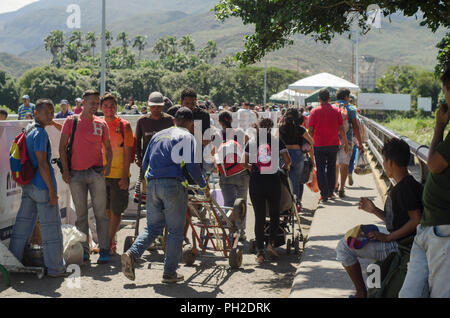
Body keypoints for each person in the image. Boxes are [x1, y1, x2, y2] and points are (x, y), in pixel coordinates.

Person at [121, 107, 209, 283]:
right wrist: (203, 186)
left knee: (152, 227)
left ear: (175, 120)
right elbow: (192, 166)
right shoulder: (187, 137)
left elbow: (145, 162)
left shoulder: (158, 135)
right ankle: (169, 273)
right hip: (173, 185)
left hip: (153, 184)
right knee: (175, 230)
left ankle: (132, 253)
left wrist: (147, 184)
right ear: (190, 123)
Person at [336, 138, 423, 298]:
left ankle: (361, 293)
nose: (383, 164)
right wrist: (374, 210)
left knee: (344, 247)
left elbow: (416, 220)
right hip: (400, 240)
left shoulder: (404, 189)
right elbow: (400, 221)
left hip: (401, 246)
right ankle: (368, 291)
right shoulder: (408, 184)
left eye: (383, 160)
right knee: (360, 243)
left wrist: (388, 237)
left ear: (390, 162)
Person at [399, 67, 450, 298]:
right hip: (430, 226)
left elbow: (434, 164)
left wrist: (439, 125)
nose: (444, 97)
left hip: (443, 229)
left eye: (445, 91)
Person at [9, 98, 67, 277]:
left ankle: (12, 262)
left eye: (52, 111)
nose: (50, 115)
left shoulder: (28, 129)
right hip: (42, 187)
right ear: (36, 112)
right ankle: (56, 268)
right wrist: (52, 191)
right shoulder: (41, 133)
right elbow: (42, 164)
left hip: (29, 186)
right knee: (51, 229)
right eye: (46, 112)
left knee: (22, 226)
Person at [59, 89, 112, 264]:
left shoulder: (101, 124)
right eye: (92, 103)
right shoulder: (71, 121)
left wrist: (107, 166)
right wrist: (66, 171)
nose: (94, 106)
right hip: (76, 174)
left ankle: (104, 249)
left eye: (97, 103)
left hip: (96, 173)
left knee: (100, 214)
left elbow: (108, 148)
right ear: (83, 103)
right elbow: (61, 148)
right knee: (81, 215)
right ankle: (84, 251)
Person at [245, 117, 291, 264]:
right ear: (271, 128)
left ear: (257, 128)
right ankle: (271, 243)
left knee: (259, 217)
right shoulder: (277, 141)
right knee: (274, 213)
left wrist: (252, 168)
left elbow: (241, 162)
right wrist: (283, 168)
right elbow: (288, 160)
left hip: (257, 181)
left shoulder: (251, 142)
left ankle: (259, 252)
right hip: (273, 180)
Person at [101, 93, 134, 255]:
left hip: (119, 175)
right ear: (101, 108)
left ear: (117, 106)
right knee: (106, 211)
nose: (109, 109)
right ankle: (111, 242)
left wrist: (124, 176)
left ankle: (107, 243)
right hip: (101, 175)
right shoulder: (97, 124)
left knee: (116, 211)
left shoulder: (124, 125)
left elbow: (128, 153)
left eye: (112, 106)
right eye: (105, 106)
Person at [213, 110, 250, 240]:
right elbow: (249, 144)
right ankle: (242, 232)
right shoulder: (239, 132)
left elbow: (214, 154)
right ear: (231, 120)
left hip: (226, 175)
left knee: (229, 203)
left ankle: (231, 231)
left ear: (219, 122)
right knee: (242, 203)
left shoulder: (217, 135)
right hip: (242, 172)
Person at [308, 89, 348, 202]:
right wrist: (345, 143)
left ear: (319, 99)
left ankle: (324, 194)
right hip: (333, 144)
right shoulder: (336, 111)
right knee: (331, 168)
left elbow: (310, 130)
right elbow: (341, 128)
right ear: (330, 99)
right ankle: (331, 192)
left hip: (318, 144)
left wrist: (308, 143)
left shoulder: (314, 111)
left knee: (320, 169)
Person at [135, 92, 174, 202]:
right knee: (147, 198)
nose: (156, 109)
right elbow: (137, 141)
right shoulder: (142, 121)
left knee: (164, 197)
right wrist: (138, 158)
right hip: (147, 164)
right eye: (153, 106)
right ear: (148, 105)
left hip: (166, 165)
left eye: (158, 106)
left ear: (163, 105)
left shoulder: (170, 120)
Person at [279, 108, 315, 206]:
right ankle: (297, 202)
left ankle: (287, 203)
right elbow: (312, 141)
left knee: (284, 178)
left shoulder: (280, 128)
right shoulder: (300, 129)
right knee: (298, 179)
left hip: (284, 154)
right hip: (298, 154)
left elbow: (274, 141)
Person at [334, 88, 364, 198]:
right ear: (346, 97)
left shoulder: (333, 107)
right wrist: (360, 143)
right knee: (344, 164)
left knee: (335, 164)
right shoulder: (350, 109)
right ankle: (342, 188)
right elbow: (355, 127)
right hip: (347, 140)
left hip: (333, 140)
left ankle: (335, 186)